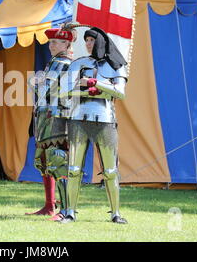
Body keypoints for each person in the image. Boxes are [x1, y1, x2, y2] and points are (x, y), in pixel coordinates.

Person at [59, 27, 128, 224]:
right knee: (73, 168)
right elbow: (64, 92)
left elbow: (120, 93)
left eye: (91, 40)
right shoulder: (78, 63)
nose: (88, 44)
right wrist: (96, 91)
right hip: (78, 118)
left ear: (101, 42)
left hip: (105, 119)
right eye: (87, 40)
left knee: (110, 171)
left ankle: (116, 214)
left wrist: (92, 83)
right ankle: (70, 212)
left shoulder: (116, 65)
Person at [26, 27, 74, 221]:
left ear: (67, 44)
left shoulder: (64, 63)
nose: (51, 45)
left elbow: (45, 84)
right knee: (44, 160)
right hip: (46, 116)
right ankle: (49, 205)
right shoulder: (54, 63)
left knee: (58, 159)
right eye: (50, 42)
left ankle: (66, 209)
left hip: (59, 117)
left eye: (55, 42)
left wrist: (36, 80)